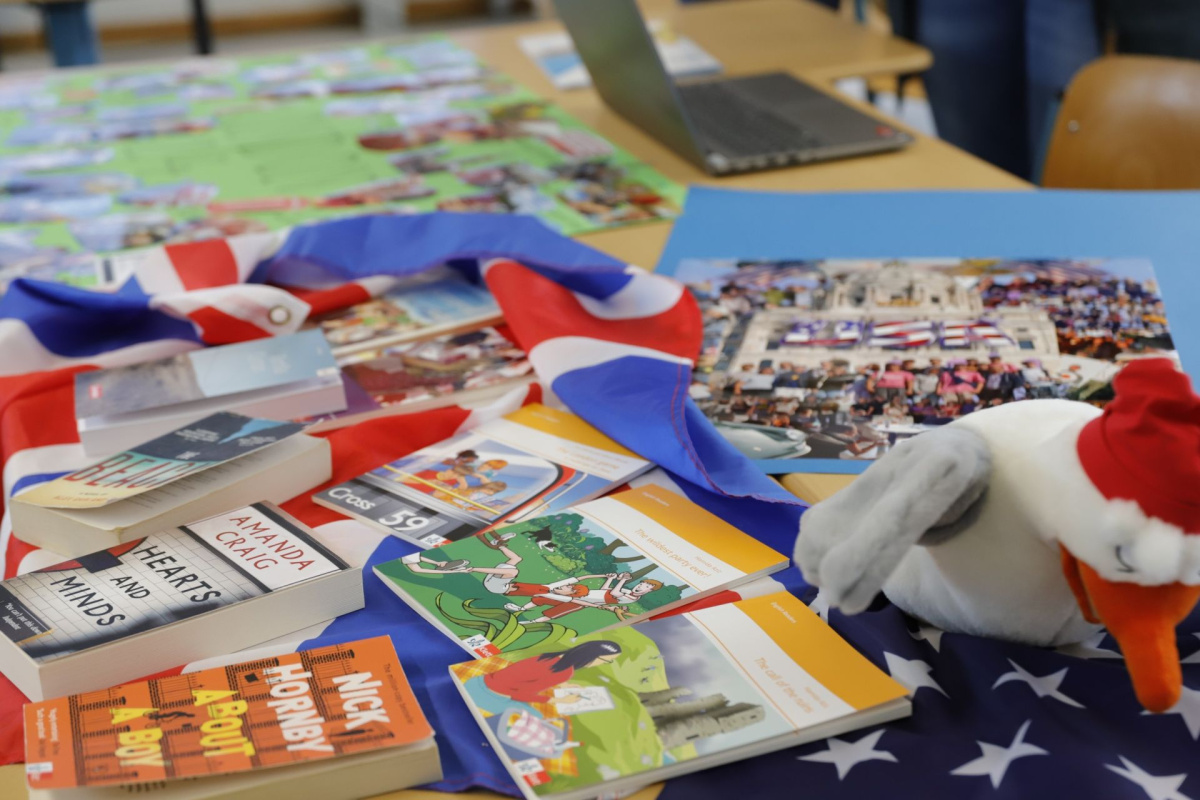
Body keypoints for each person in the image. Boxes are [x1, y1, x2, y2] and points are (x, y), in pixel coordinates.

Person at [463, 640, 624, 714]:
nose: (604, 664)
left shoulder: (551, 656)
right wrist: (560, 700)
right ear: (593, 656)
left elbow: (530, 675)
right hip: (487, 695)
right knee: (537, 717)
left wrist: (562, 686)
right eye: (606, 661)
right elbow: (520, 695)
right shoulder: (564, 672)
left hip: (477, 682)